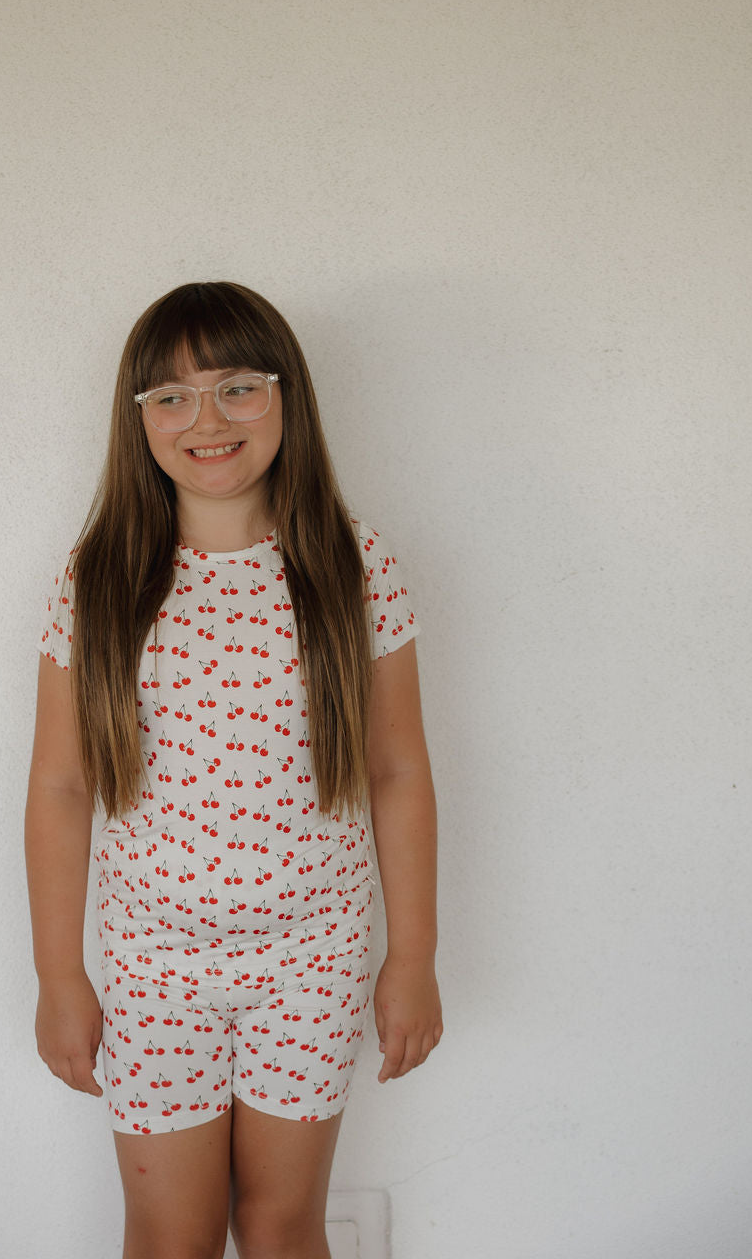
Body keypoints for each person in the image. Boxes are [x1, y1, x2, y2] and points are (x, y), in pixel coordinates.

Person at [24, 280, 442, 1259]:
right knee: (170, 1236)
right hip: (153, 966)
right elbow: (60, 786)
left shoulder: (352, 565)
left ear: (286, 395)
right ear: (139, 423)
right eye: (169, 397)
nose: (205, 419)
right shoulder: (99, 582)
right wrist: (57, 974)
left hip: (314, 958)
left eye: (237, 387)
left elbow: (395, 769)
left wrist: (412, 956)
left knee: (280, 1224)